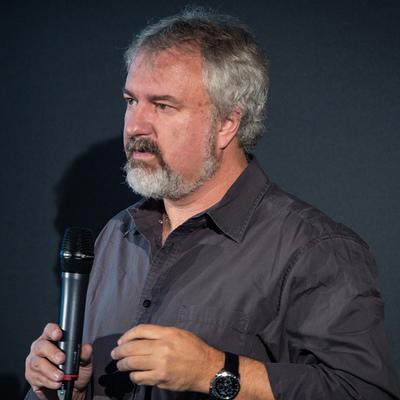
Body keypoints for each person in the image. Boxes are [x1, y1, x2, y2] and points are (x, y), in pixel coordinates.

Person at [25, 8, 400, 400]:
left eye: (163, 106)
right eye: (131, 101)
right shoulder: (116, 236)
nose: (135, 126)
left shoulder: (314, 250)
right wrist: (65, 390)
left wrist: (215, 371)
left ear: (227, 123)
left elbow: (364, 392)